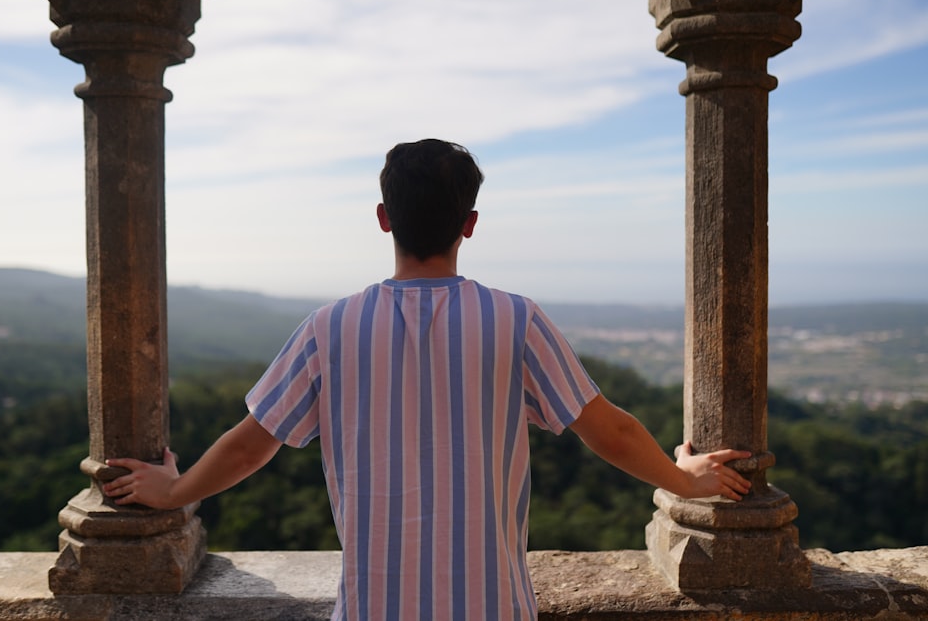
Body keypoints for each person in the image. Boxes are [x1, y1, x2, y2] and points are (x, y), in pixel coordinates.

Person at [104, 139, 751, 620]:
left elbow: (252, 443)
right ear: (469, 223)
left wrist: (175, 490)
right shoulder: (514, 318)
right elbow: (606, 428)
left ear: (384, 217)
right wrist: (684, 479)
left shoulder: (329, 328)